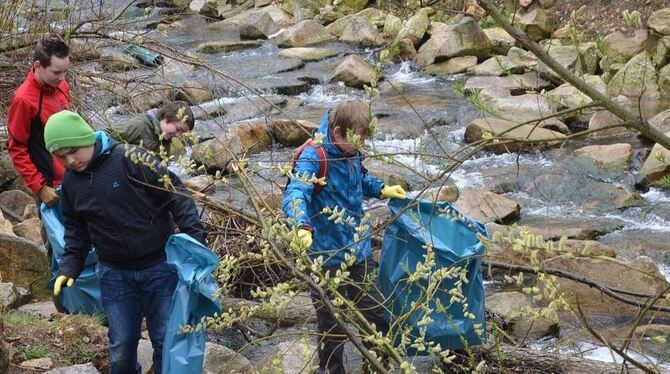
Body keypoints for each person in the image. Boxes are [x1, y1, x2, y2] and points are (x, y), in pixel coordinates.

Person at [45, 110, 207, 374]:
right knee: (121, 347)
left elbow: (177, 195)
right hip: (114, 274)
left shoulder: (132, 158)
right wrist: (68, 268)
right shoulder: (72, 184)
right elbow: (76, 231)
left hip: (160, 267)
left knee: (167, 341)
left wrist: (195, 242)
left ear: (88, 138)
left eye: (73, 151)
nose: (70, 160)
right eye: (61, 156)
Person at [282, 100, 407, 374]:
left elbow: (359, 180)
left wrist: (382, 189)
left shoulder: (352, 150)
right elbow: (295, 193)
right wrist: (301, 225)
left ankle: (376, 368)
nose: (361, 147)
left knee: (376, 315)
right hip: (325, 256)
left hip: (358, 250)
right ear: (338, 133)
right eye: (358, 142)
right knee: (333, 326)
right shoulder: (314, 157)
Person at [7, 35, 70, 207]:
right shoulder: (23, 100)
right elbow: (16, 148)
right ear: (38, 66)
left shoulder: (61, 86)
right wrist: (40, 187)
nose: (63, 78)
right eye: (57, 72)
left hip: (72, 173)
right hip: (49, 185)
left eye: (65, 72)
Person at [105, 100, 196, 153]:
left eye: (182, 132)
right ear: (167, 116)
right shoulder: (140, 126)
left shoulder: (165, 142)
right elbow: (105, 135)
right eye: (178, 129)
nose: (177, 135)